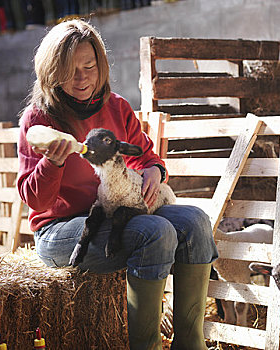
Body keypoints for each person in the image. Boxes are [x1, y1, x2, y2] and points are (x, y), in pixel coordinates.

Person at [17, 19, 218, 349]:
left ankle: (190, 345)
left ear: (101, 66)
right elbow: (36, 202)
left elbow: (146, 156)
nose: (82, 78)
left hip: (115, 214)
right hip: (61, 229)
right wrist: (52, 162)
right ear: (52, 71)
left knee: (195, 221)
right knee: (154, 231)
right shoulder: (38, 119)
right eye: (70, 69)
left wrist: (155, 171)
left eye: (89, 66)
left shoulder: (117, 107)